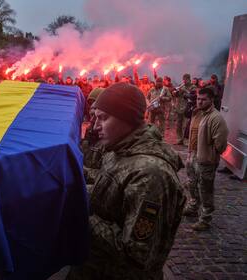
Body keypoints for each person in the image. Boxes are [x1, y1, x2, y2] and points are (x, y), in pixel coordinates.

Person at [67, 83, 185, 280]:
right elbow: (111, 187)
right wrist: (76, 178)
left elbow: (135, 251)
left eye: (103, 118)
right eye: (95, 118)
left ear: (127, 119)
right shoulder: (119, 150)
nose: (95, 126)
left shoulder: (151, 176)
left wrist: (79, 212)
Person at [184, 87, 228, 231]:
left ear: (211, 100)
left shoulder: (216, 118)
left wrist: (210, 154)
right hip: (193, 156)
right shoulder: (197, 114)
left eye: (203, 99)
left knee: (205, 189)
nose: (200, 102)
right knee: (192, 183)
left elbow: (221, 144)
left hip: (206, 160)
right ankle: (193, 206)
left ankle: (205, 218)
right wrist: (191, 153)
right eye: (198, 99)